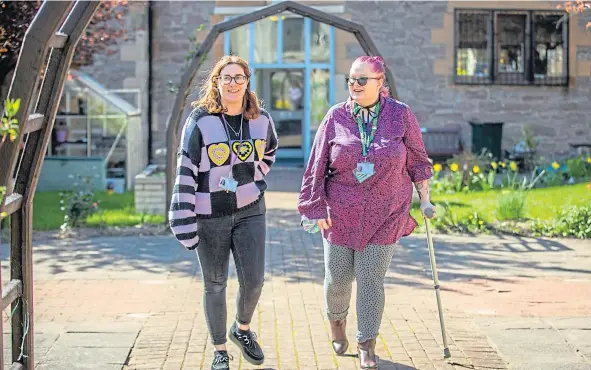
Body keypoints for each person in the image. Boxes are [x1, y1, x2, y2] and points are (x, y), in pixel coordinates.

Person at [297, 56, 435, 369]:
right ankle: (336, 323)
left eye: (362, 80)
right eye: (351, 80)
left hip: (387, 211)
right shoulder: (336, 116)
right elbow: (316, 165)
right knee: (338, 279)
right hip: (340, 211)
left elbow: (417, 160)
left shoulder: (400, 115)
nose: (354, 86)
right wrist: (314, 206)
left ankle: (366, 343)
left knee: (371, 278)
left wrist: (425, 198)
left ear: (380, 83)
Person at [169, 55, 278, 370]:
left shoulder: (261, 119)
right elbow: (186, 168)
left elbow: (270, 150)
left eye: (239, 77)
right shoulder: (200, 120)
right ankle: (220, 350)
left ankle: (241, 329)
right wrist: (183, 216)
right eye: (226, 77)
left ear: (247, 82)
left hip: (251, 210)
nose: (233, 83)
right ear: (216, 82)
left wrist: (254, 179)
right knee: (215, 283)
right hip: (209, 214)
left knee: (254, 281)